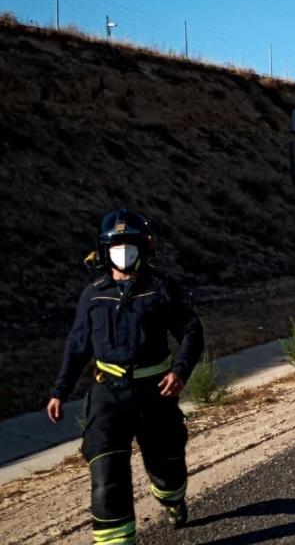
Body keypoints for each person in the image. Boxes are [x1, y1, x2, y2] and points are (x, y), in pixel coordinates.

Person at [47, 209, 204, 544]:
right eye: (116, 246)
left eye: (130, 246)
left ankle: (173, 500)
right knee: (107, 472)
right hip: (108, 394)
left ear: (144, 248)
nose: (123, 252)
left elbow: (192, 333)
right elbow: (77, 346)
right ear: (103, 251)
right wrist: (60, 391)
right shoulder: (93, 294)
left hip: (156, 393)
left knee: (167, 468)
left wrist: (180, 372)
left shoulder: (162, 289)